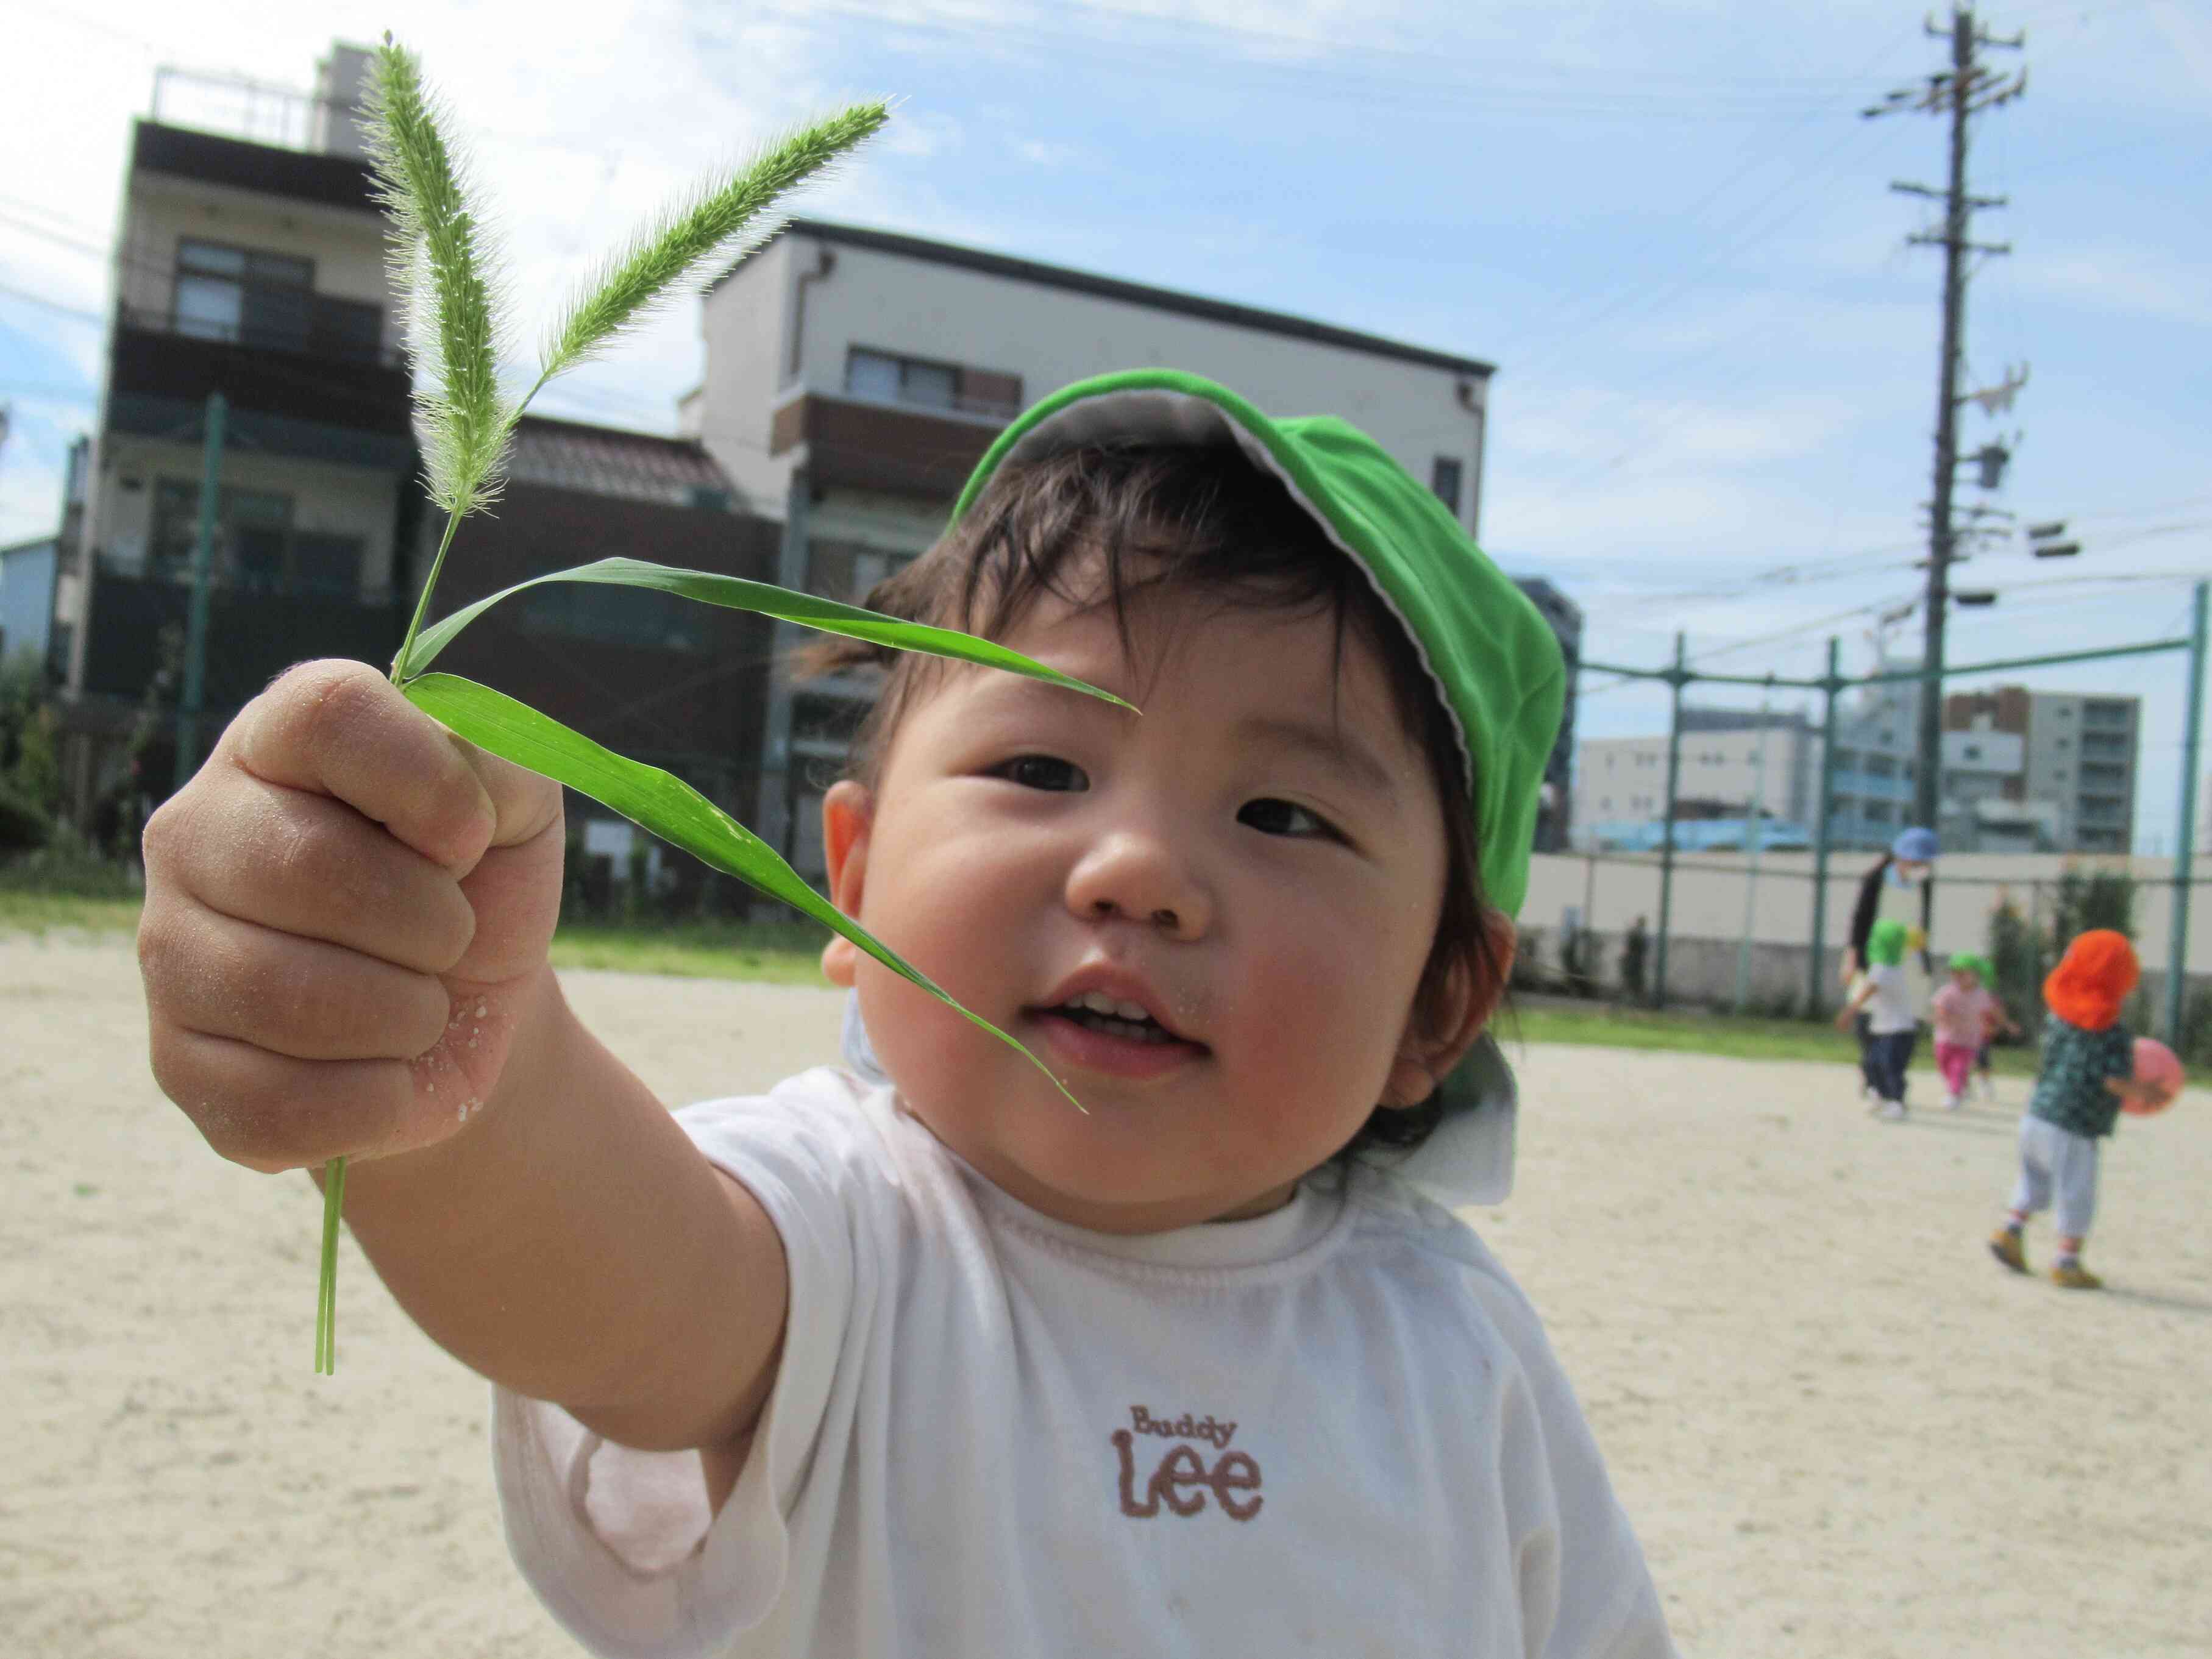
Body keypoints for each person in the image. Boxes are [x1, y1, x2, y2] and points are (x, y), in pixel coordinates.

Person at [135, 369, 1675, 1658]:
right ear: (853, 882)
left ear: (1440, 998)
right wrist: (466, 1051)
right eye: (1042, 769)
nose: (1137, 869)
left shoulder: (1458, 1349)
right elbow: (609, 1284)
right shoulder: (848, 1231)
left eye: (1280, 811)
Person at [1988, 929, 2170, 1290]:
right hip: (2074, 1126)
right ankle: (2067, 1261)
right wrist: (2148, 1092)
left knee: (2033, 1180)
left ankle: (2011, 1231)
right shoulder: (2110, 1030)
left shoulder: (2058, 1015)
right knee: (2076, 1191)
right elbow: (2112, 1079)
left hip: (2037, 1115)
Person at [1840, 826, 1937, 1098]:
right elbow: (1859, 921)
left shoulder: (1923, 884)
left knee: (1906, 1025)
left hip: (1910, 962)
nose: (1920, 867)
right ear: (1900, 857)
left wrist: (1921, 944)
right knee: (1868, 1017)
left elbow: (1922, 922)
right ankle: (1873, 1077)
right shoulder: (1875, 880)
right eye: (1916, 862)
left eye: (1924, 863)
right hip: (1876, 958)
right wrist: (1850, 957)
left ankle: (1894, 1080)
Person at [1836, 917, 1918, 1119]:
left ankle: (1897, 1102)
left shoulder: (1884, 970)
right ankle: (1881, 1097)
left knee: (1891, 1066)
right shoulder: (1886, 968)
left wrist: (1849, 1012)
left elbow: (1868, 991)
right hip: (1885, 1029)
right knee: (1872, 1063)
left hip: (1899, 1031)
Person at [1930, 952, 2004, 1111]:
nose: (1958, 977)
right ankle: (1958, 1085)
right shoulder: (1948, 992)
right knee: (1943, 1064)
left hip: (1968, 1040)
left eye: (1963, 973)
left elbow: (1991, 1011)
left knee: (1959, 1066)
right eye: (1954, 973)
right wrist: (1943, 1019)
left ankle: (1954, 1094)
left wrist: (1996, 1025)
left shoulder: (1981, 994)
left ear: (1976, 976)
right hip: (1946, 1037)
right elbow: (1940, 1008)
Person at [1620, 912, 1650, 1002]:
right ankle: (1635, 999)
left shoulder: (1638, 933)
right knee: (1634, 981)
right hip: (1635, 960)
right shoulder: (1640, 933)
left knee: (1633, 981)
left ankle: (1635, 999)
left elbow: (1631, 946)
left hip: (1634, 960)